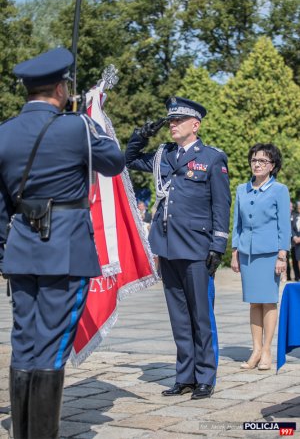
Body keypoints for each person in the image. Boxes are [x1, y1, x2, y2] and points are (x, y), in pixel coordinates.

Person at [0, 47, 125, 439]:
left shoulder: (3, 132)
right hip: (65, 249)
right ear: (60, 88)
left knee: (24, 341)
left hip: (20, 250)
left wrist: (8, 246)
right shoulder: (77, 128)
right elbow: (115, 162)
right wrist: (87, 118)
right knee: (52, 346)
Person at [126, 96, 231, 399]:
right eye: (170, 120)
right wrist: (140, 135)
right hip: (167, 245)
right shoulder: (163, 155)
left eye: (178, 120)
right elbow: (128, 160)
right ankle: (184, 375)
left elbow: (221, 205)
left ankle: (205, 377)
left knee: (200, 316)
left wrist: (218, 245)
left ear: (195, 125)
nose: (171, 124)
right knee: (178, 316)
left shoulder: (211, 158)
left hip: (197, 247)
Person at [231, 143, 290, 371]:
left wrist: (282, 256)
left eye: (263, 161)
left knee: (268, 300)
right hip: (247, 254)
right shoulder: (241, 189)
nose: (257, 164)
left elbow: (283, 226)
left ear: (272, 166)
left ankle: (266, 350)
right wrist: (235, 252)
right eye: (254, 160)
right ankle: (255, 349)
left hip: (270, 254)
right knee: (254, 301)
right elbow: (238, 224)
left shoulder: (280, 190)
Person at [292, 201, 300, 277]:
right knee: (299, 259)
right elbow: (291, 228)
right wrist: (294, 237)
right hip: (297, 241)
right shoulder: (294, 216)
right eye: (298, 207)